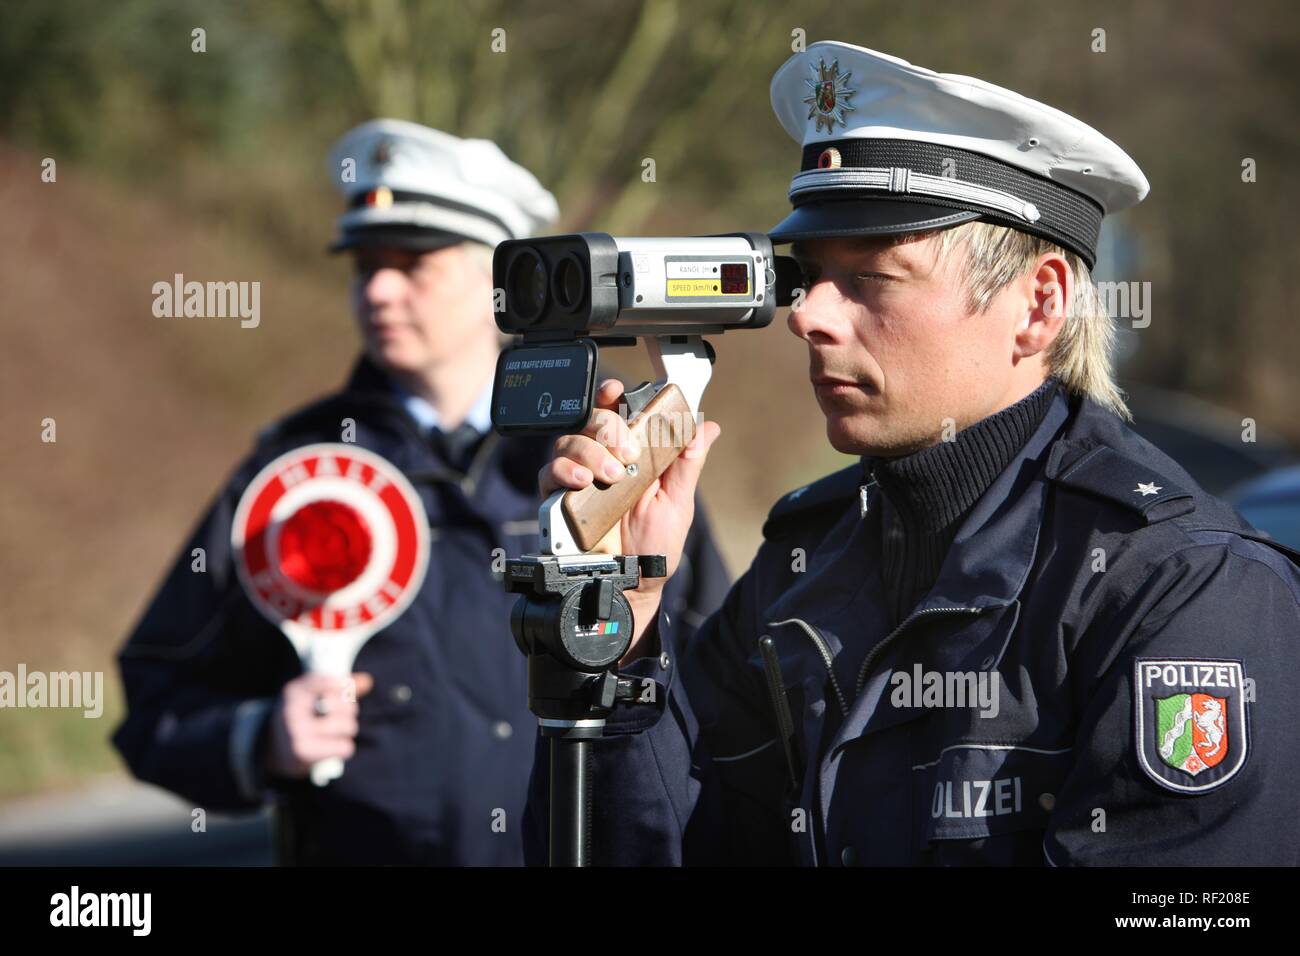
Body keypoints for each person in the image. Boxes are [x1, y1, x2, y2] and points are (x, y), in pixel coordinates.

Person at [530, 42, 1300, 865]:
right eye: (814, 274)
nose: (808, 315)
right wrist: (618, 628)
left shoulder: (1182, 590)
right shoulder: (805, 557)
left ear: (1039, 304)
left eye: (874, 276)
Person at [111, 119, 732, 865]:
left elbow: (723, 696)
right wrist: (261, 739)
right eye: (364, 264)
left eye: (413, 264)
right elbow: (156, 698)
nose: (377, 289)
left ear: (495, 282)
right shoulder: (296, 474)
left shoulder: (604, 458)